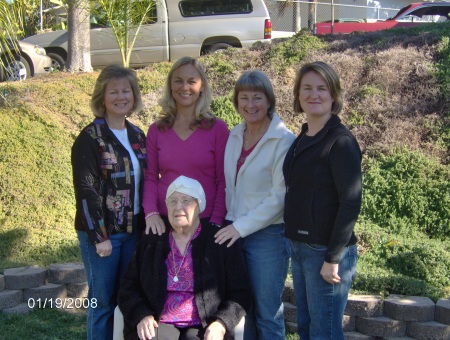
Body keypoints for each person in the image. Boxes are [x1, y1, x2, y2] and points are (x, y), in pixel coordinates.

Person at [283, 61, 362, 339]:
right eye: (307, 88)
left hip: (325, 252)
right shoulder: (304, 136)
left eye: (321, 88)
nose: (313, 94)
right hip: (301, 247)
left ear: (334, 96)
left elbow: (350, 202)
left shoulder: (340, 142)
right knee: (306, 327)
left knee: (324, 332)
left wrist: (332, 257)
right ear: (298, 94)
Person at [214, 70, 295, 340]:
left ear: (269, 100)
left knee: (267, 314)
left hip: (267, 236)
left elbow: (279, 197)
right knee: (241, 309)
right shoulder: (235, 134)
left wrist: (240, 227)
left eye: (257, 98)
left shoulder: (284, 140)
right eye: (244, 98)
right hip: (233, 231)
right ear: (236, 102)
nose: (250, 104)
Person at [118, 175, 251, 340]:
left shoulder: (218, 241)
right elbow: (127, 287)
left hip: (203, 325)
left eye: (186, 201)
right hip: (158, 323)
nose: (178, 206)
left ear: (199, 206)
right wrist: (141, 315)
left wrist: (221, 323)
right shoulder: (152, 240)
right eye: (172, 201)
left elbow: (240, 293)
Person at [71, 65, 147, 340]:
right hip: (104, 237)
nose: (120, 96)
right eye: (113, 91)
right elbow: (86, 190)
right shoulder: (90, 138)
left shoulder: (139, 136)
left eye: (126, 90)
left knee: (126, 301)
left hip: (133, 234)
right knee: (101, 304)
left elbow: (147, 183)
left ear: (134, 95)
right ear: (102, 97)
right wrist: (98, 236)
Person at [143, 57, 228, 235]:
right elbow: (150, 177)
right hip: (165, 222)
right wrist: (151, 213)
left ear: (202, 86)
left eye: (191, 81)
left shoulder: (217, 129)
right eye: (178, 81)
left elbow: (223, 180)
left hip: (206, 220)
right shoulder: (157, 130)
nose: (185, 87)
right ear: (171, 86)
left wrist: (216, 220)